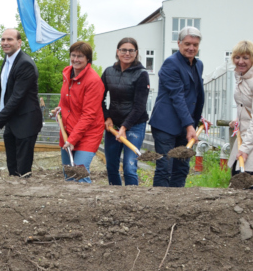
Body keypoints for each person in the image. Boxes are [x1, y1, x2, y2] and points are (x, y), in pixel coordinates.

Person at [149, 26, 204, 187]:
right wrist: (190, 125)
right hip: (166, 124)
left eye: (195, 44)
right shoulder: (171, 64)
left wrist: (196, 118)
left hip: (185, 124)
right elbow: (177, 96)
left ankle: (176, 204)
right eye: (187, 44)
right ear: (179, 43)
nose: (191, 48)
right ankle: (159, 204)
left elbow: (193, 95)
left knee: (181, 167)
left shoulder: (198, 65)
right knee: (165, 166)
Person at [0, 29, 42, 177]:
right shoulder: (8, 59)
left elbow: (17, 97)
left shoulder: (25, 64)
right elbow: (10, 85)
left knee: (22, 169)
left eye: (9, 39)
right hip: (11, 121)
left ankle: (24, 196)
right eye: (3, 40)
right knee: (12, 165)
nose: (5, 43)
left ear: (19, 42)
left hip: (25, 122)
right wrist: (0, 89)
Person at [53, 41, 104, 183]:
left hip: (88, 133)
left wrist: (72, 139)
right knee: (69, 173)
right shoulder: (67, 74)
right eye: (73, 55)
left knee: (80, 173)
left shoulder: (93, 81)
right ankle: (72, 205)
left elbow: (89, 115)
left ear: (88, 59)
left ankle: (86, 204)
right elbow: (66, 99)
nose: (75, 59)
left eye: (80, 56)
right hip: (68, 130)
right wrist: (60, 108)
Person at [101, 37, 150, 186]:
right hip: (113, 125)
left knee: (129, 167)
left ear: (136, 53)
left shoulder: (142, 74)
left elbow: (139, 106)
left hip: (134, 125)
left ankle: (132, 200)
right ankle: (115, 198)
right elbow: (99, 99)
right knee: (111, 166)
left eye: (131, 50)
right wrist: (107, 117)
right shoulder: (108, 72)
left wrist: (124, 127)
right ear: (117, 52)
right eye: (123, 50)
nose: (127, 53)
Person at [228, 40, 253, 189]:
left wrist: (245, 148)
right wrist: (238, 119)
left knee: (243, 177)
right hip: (247, 130)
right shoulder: (241, 75)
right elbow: (245, 104)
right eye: (237, 57)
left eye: (245, 58)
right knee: (238, 175)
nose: (240, 62)